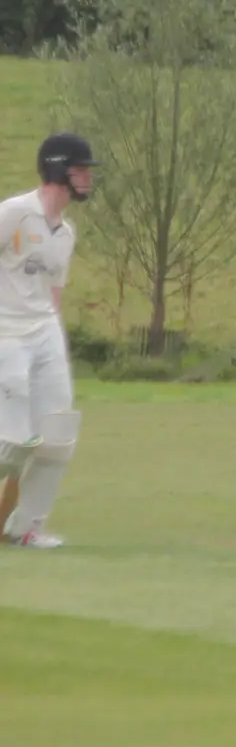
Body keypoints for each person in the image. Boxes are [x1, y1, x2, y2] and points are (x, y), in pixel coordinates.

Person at [0, 133, 97, 550]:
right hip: (6, 332)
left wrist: (56, 342)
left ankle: (25, 528)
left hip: (44, 335)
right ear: (58, 170)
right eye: (81, 170)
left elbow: (53, 294)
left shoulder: (66, 233)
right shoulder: (15, 213)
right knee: (15, 441)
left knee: (58, 436)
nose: (88, 178)